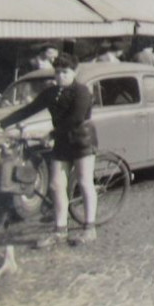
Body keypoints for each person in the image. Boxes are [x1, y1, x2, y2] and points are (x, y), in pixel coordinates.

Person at [32, 55, 98, 248]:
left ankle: (89, 227)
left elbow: (75, 118)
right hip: (62, 141)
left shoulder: (82, 92)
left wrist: (50, 133)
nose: (60, 76)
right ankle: (60, 230)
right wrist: (0, 125)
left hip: (82, 140)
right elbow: (29, 109)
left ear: (74, 72)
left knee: (84, 182)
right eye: (57, 72)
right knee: (55, 185)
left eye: (65, 72)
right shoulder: (52, 92)